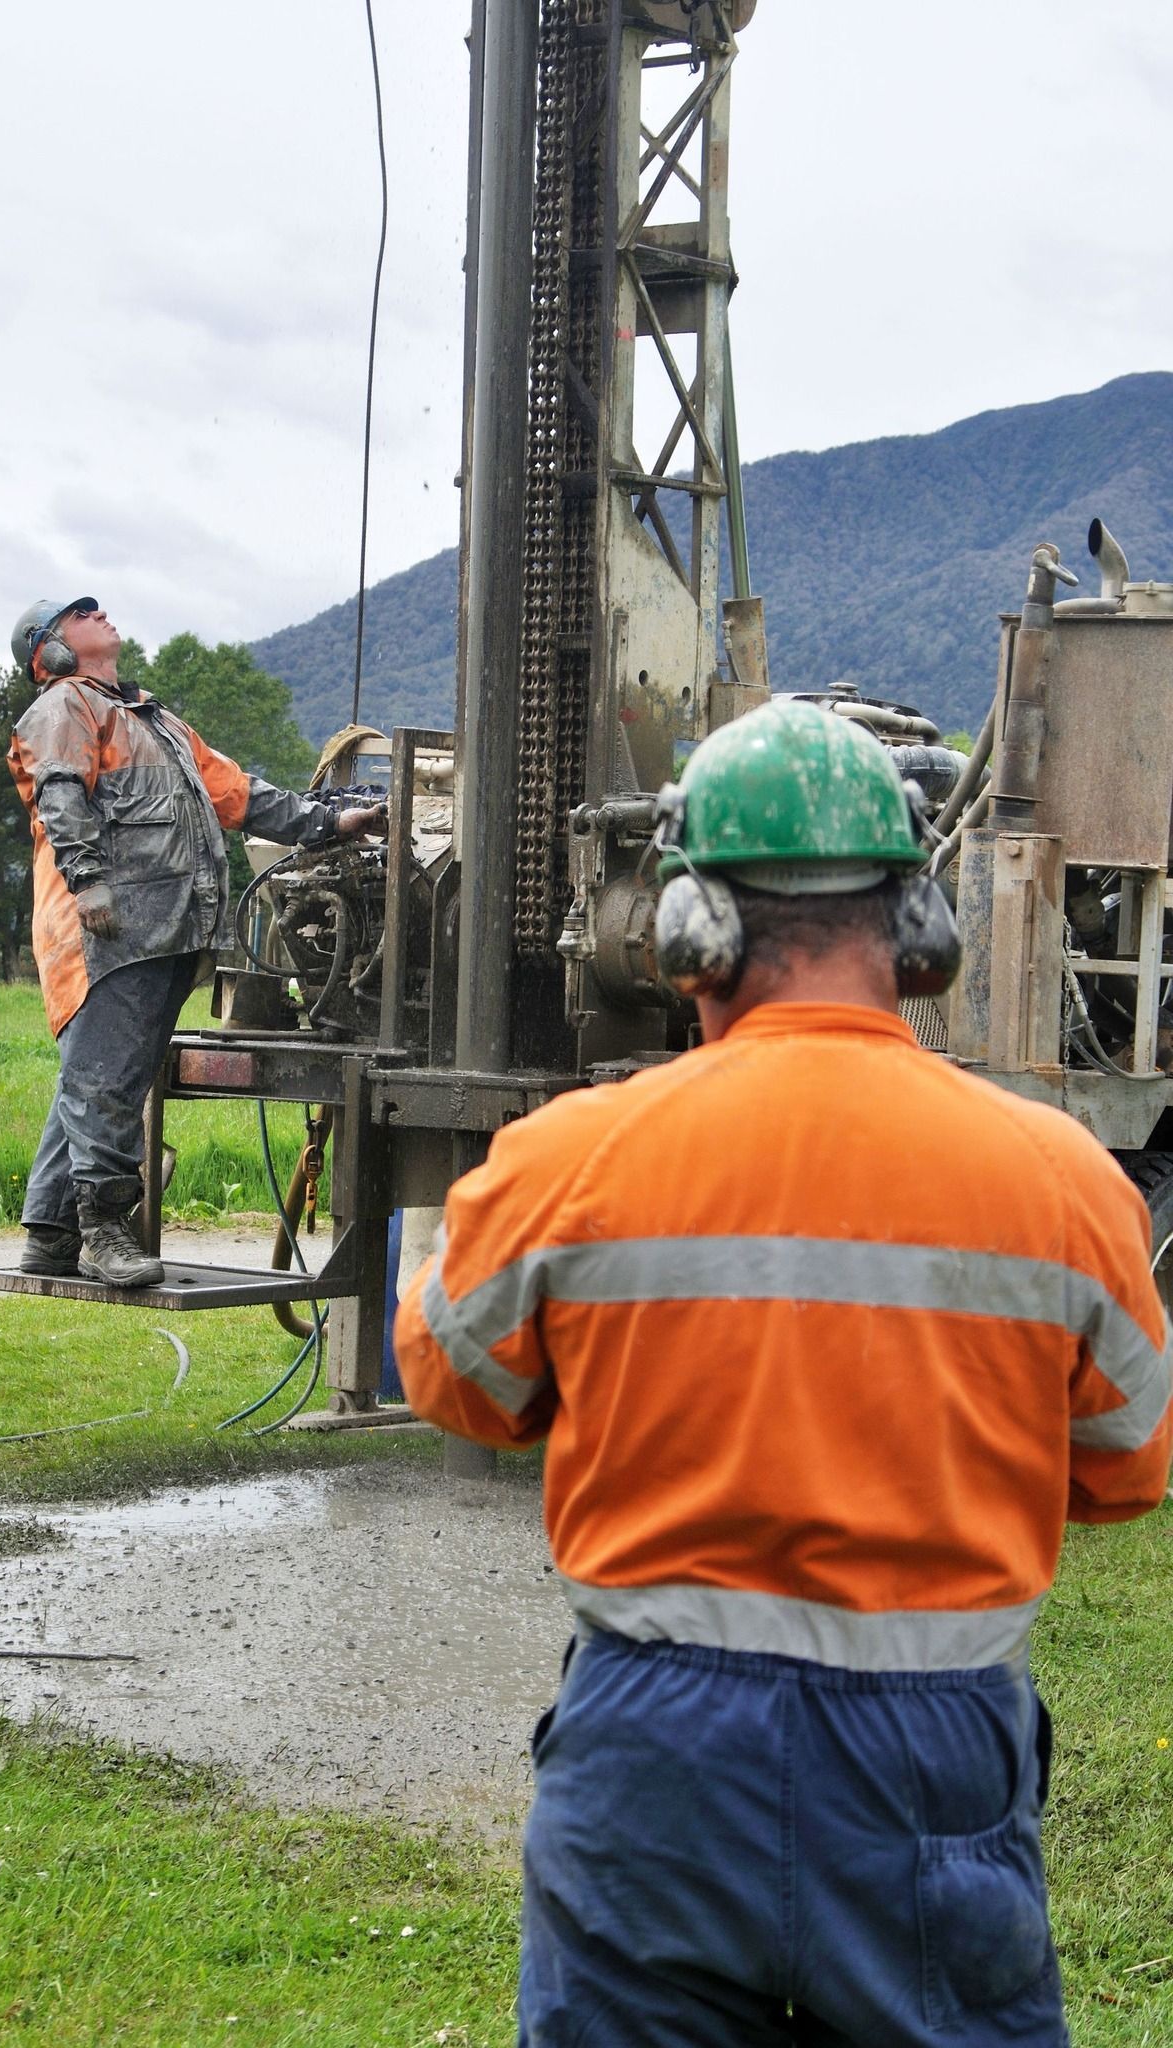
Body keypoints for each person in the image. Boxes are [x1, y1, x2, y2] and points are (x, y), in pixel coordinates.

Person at [394, 698, 1171, 2047]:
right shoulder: (1065, 1183)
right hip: (932, 1746)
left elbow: (463, 1391)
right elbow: (1124, 1472)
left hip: (656, 1749)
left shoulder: (568, 1158)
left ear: (690, 933)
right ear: (918, 931)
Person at [6, 596, 382, 1287]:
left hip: (166, 932)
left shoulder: (159, 723)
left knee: (97, 1080)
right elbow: (60, 793)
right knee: (105, 1085)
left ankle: (51, 1234)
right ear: (50, 650)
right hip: (105, 932)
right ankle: (105, 1236)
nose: (102, 614)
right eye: (83, 613)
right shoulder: (65, 705)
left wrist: (334, 820)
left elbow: (239, 795)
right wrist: (90, 884)